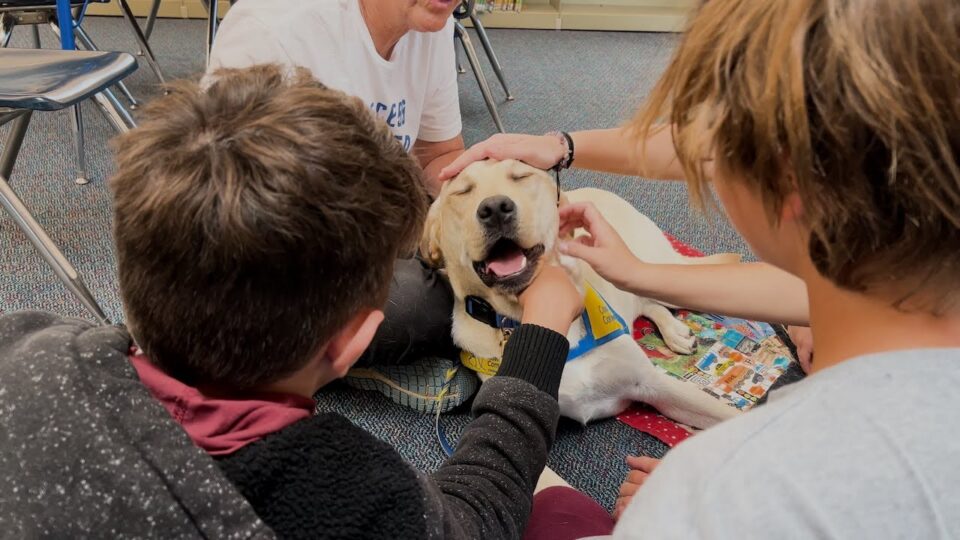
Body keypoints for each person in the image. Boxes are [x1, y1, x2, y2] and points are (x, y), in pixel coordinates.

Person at [0, 65, 583, 538]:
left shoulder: (27, 340)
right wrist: (540, 337)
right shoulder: (353, 495)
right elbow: (475, 520)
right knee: (571, 516)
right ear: (352, 342)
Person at [458, 0, 960, 536]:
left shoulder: (719, 490)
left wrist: (678, 506)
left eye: (717, 131)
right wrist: (638, 272)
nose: (697, 148)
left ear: (788, 182)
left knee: (555, 510)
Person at [207, 0, 468, 372]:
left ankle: (343, 360)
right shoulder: (272, 28)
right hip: (273, 254)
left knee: (482, 259)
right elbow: (237, 214)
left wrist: (488, 203)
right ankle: (323, 366)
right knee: (418, 302)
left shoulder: (430, 23)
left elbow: (439, 154)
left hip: (371, 228)